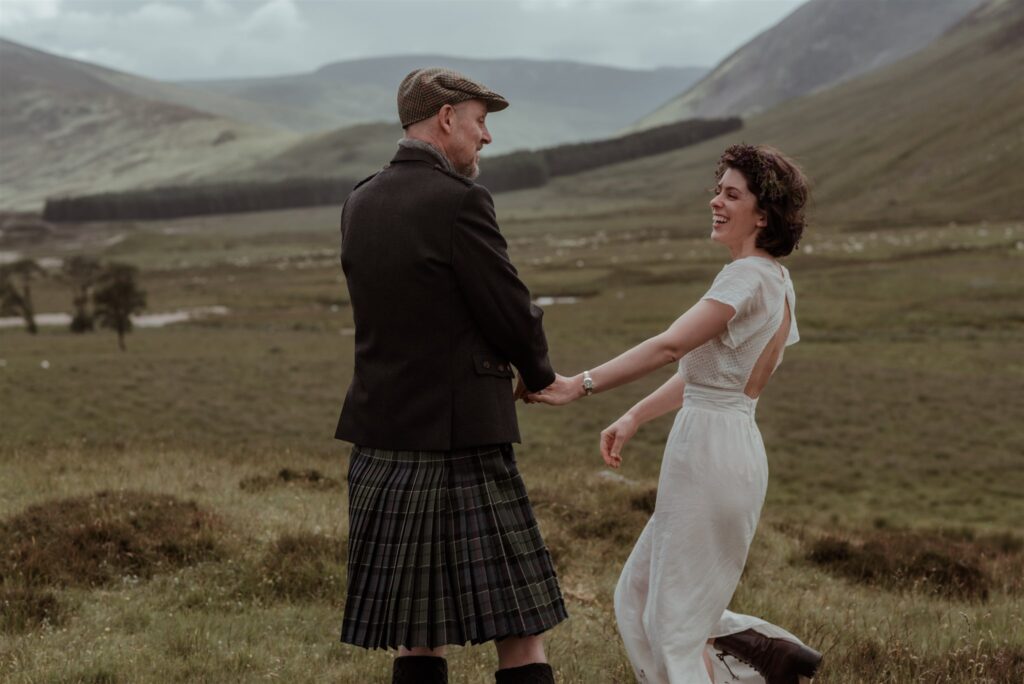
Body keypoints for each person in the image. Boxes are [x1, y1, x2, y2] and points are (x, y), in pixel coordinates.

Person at [527, 144, 823, 684]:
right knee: (638, 595)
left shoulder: (743, 278)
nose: (715, 201)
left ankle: (761, 650)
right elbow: (707, 377)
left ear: (762, 215)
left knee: (675, 628)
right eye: (717, 190)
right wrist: (635, 415)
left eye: (731, 195)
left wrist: (580, 385)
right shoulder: (777, 282)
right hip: (729, 443)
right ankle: (762, 649)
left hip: (710, 454)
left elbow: (669, 347)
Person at [334, 67, 570, 684]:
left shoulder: (360, 199)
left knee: (418, 634)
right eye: (480, 121)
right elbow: (508, 307)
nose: (485, 137)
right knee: (520, 628)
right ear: (446, 119)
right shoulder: (461, 200)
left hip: (383, 438)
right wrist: (539, 373)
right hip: (463, 441)